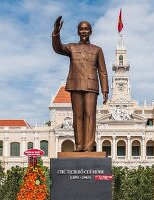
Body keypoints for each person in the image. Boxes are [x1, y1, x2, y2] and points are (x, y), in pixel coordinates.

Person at [52, 16, 109, 152]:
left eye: (86, 29)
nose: (84, 31)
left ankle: (88, 146)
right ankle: (79, 146)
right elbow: (58, 48)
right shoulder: (71, 47)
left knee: (90, 115)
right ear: (78, 32)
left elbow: (103, 71)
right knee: (77, 116)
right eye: (81, 29)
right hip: (75, 85)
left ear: (90, 31)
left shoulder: (97, 50)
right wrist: (56, 33)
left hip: (91, 86)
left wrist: (105, 89)